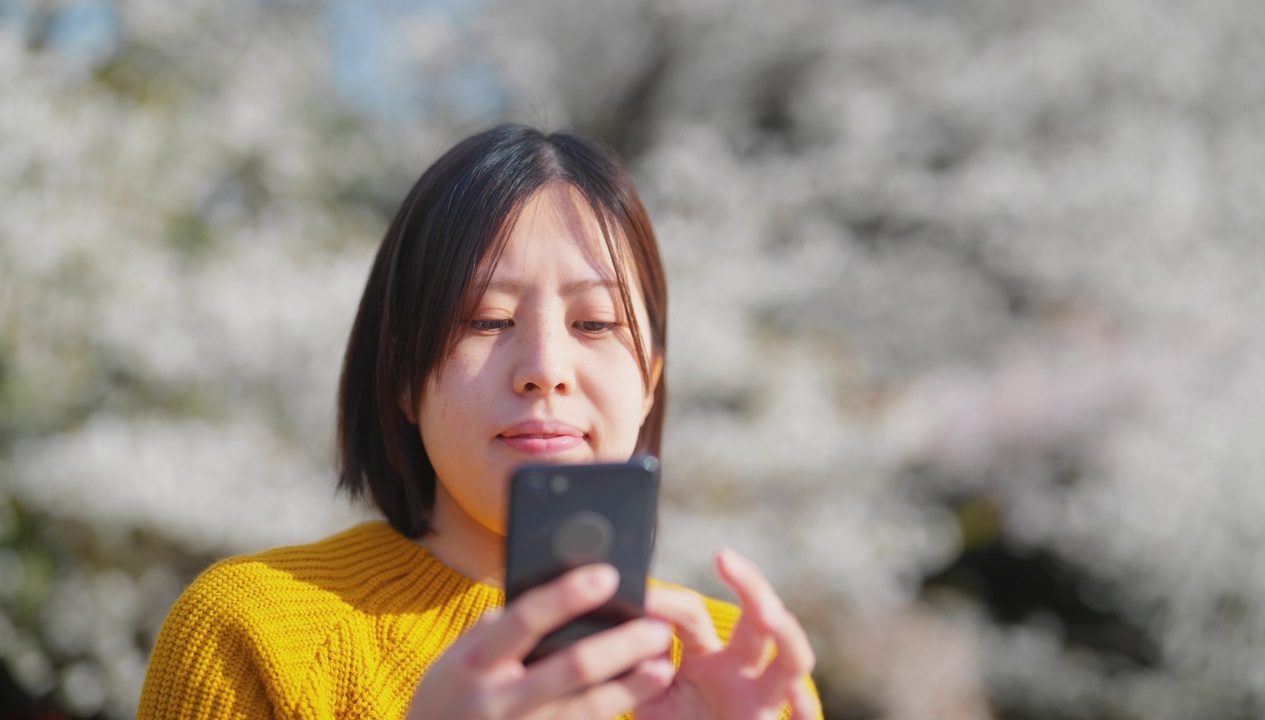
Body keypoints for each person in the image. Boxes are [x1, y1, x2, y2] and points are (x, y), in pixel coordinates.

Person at [137, 124, 821, 720]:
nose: (545, 368)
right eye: (488, 320)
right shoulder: (255, 630)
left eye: (595, 323)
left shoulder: (730, 669)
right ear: (405, 378)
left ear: (650, 382)